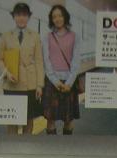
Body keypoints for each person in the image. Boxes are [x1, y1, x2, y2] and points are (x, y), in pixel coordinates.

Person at [0, 2, 43, 135]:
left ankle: (26, 145)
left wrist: (40, 85)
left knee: (28, 118)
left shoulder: (35, 36)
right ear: (14, 17)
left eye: (24, 15)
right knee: (12, 119)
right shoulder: (6, 36)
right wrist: (6, 73)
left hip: (30, 85)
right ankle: (12, 145)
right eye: (18, 15)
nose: (21, 18)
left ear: (28, 17)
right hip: (11, 84)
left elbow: (39, 61)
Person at [41, 4, 81, 134]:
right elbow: (46, 61)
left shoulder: (74, 36)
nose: (57, 19)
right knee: (50, 119)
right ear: (51, 19)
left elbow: (76, 61)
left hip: (69, 81)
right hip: (52, 81)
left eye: (60, 16)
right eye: (54, 17)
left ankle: (66, 145)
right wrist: (55, 81)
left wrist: (68, 83)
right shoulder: (47, 37)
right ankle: (52, 146)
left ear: (65, 17)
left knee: (68, 119)